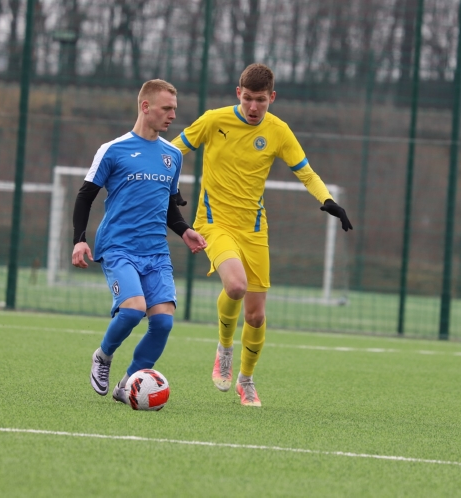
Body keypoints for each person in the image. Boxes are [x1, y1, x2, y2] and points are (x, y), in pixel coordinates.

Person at [171, 63, 352, 407]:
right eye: (248, 99)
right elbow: (171, 151)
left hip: (254, 229)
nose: (254, 107)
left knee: (255, 315)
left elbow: (306, 172)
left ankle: (246, 380)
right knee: (235, 286)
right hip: (214, 222)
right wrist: (171, 184)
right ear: (238, 94)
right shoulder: (214, 120)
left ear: (272, 97)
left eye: (261, 101)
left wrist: (328, 200)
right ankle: (224, 349)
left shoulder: (278, 131)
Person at [72, 79, 207, 404]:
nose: (173, 115)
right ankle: (103, 356)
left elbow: (167, 204)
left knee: (162, 322)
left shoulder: (172, 155)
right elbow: (85, 196)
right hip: (118, 247)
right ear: (145, 107)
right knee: (133, 311)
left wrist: (184, 230)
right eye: (166, 108)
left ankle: (128, 384)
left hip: (156, 252)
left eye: (174, 109)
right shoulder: (113, 149)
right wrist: (79, 240)